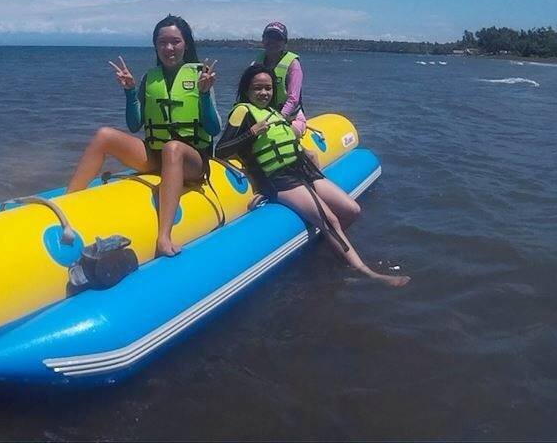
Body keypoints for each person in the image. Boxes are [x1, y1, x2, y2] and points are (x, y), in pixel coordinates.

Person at [214, 63, 409, 287]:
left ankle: (329, 250)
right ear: (247, 90)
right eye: (257, 88)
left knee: (352, 209)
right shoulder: (243, 111)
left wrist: (303, 150)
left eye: (267, 88)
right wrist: (251, 133)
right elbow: (221, 149)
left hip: (302, 170)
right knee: (330, 219)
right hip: (280, 179)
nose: (263, 93)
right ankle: (365, 272)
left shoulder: (272, 111)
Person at [66, 15, 220, 257]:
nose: (169, 48)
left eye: (175, 42)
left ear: (186, 44)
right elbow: (135, 124)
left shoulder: (201, 76)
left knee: (173, 148)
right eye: (162, 42)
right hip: (157, 155)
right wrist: (129, 92)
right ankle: (67, 204)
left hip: (192, 161)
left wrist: (203, 95)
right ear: (156, 46)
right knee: (104, 135)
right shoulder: (151, 78)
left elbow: (213, 129)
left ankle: (164, 236)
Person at [255, 21, 307, 136]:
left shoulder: (293, 64)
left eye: (277, 38)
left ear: (285, 43)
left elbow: (293, 99)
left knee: (283, 136)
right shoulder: (257, 62)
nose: (272, 42)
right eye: (269, 37)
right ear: (263, 40)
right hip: (263, 115)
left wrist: (278, 120)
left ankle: (307, 154)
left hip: (290, 118)